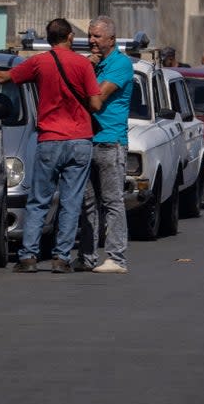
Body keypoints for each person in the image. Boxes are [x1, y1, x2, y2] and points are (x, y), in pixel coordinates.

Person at [0, 18, 103, 274]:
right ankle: (61, 257)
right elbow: (96, 104)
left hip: (50, 139)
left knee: (38, 199)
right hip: (79, 140)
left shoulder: (39, 62)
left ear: (49, 37)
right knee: (71, 201)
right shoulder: (82, 64)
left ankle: (29, 256)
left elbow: (3, 77)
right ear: (70, 38)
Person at [77, 15, 136, 274]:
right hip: (88, 140)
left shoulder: (120, 64)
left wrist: (87, 71)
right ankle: (87, 256)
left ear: (111, 39)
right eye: (89, 36)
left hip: (110, 141)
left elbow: (97, 97)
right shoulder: (94, 64)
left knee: (112, 201)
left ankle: (116, 258)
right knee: (87, 203)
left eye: (97, 36)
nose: (91, 41)